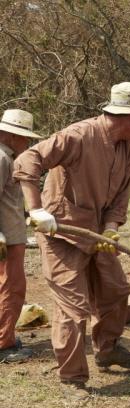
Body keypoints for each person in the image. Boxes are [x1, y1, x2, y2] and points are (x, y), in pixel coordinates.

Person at [13, 82, 130, 400]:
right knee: (73, 309)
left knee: (116, 290)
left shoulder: (128, 148)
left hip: (95, 235)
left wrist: (110, 228)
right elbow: (28, 160)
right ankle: (73, 379)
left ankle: (107, 350)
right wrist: (36, 210)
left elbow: (120, 198)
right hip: (61, 233)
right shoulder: (78, 136)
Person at [0, 109, 42, 363]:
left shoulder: (8, 157)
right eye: (25, 137)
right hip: (6, 240)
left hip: (11, 235)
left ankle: (6, 335)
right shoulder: (2, 159)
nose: (27, 143)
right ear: (12, 135)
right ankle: (4, 345)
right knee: (11, 287)